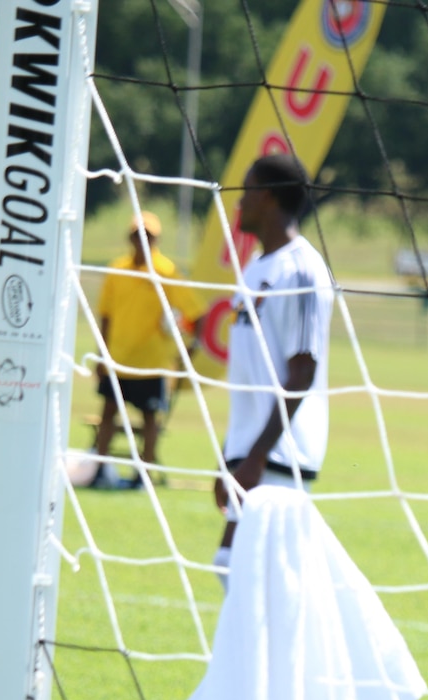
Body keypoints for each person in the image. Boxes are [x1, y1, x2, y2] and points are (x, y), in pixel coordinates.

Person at [213, 153, 335, 588]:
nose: (239, 204)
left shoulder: (302, 269)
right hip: (251, 452)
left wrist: (258, 454)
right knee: (232, 564)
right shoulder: (255, 268)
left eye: (245, 193)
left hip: (281, 454)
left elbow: (301, 372)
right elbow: (250, 376)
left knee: (259, 576)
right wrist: (228, 456)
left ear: (266, 198)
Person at [92, 210, 206, 488]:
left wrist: (191, 349)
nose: (142, 240)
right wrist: (101, 352)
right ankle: (99, 471)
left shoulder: (167, 271)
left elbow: (197, 313)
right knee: (107, 413)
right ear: (129, 237)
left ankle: (143, 475)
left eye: (148, 235)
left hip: (151, 361)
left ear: (157, 239)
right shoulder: (116, 269)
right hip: (118, 358)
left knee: (150, 419)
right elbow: (105, 315)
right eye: (137, 234)